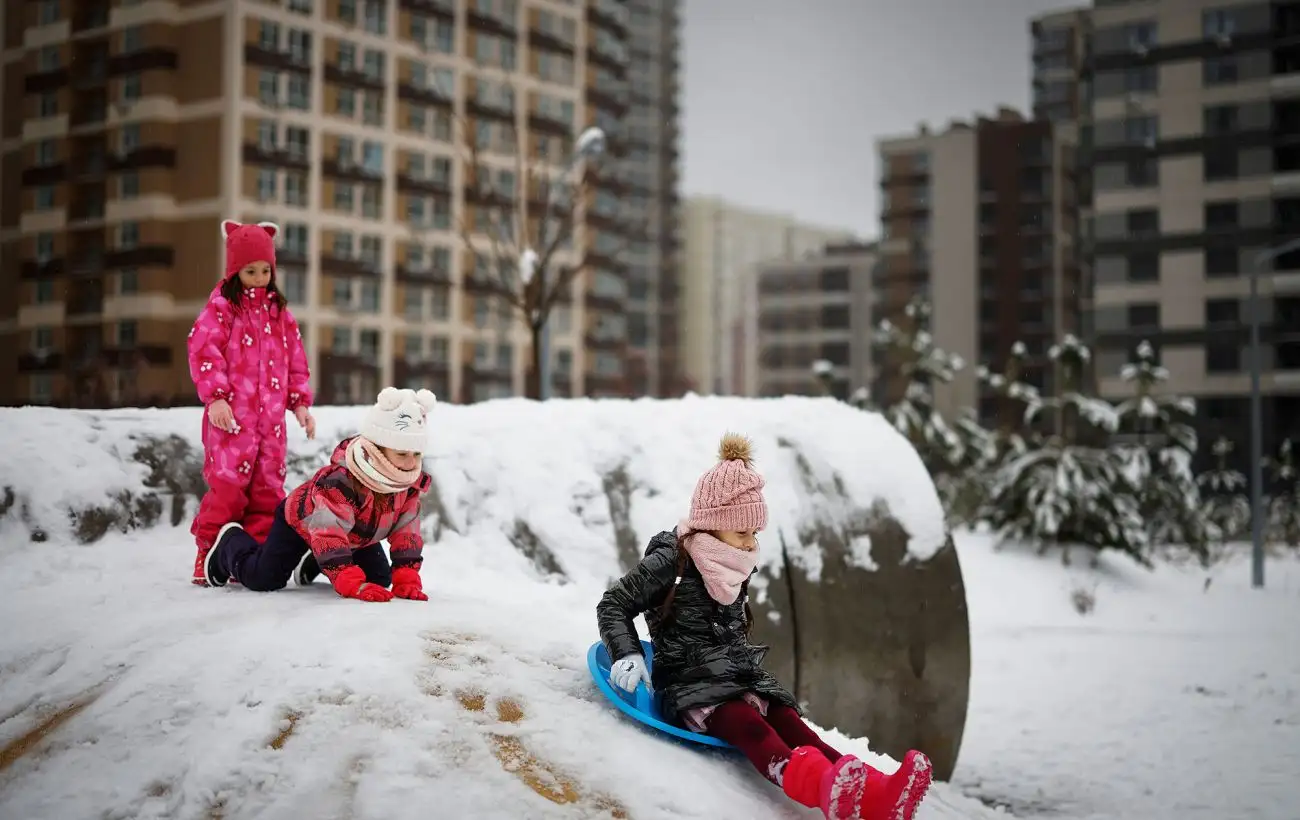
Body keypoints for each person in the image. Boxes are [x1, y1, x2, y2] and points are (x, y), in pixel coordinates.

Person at [596, 433, 932, 820]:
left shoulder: (732, 560)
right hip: (692, 685)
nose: (749, 542)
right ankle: (823, 788)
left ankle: (878, 790)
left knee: (794, 726)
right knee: (751, 728)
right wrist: (627, 654)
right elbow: (614, 603)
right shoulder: (672, 561)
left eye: (754, 533)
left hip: (737, 675)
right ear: (713, 523)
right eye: (742, 532)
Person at [202, 387, 436, 604]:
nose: (410, 462)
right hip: (303, 523)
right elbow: (328, 533)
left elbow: (407, 531)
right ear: (377, 449)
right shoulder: (342, 481)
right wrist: (348, 580)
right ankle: (229, 544)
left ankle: (316, 559)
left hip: (356, 534)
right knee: (265, 579)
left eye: (416, 453)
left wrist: (406, 575)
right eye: (402, 453)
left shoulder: (408, 485)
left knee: (378, 579)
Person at [187, 219, 315, 585]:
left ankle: (252, 556)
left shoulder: (281, 317)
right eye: (250, 271)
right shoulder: (223, 309)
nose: (259, 278)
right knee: (227, 491)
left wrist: (300, 405)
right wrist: (216, 398)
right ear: (234, 271)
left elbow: (296, 363)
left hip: (270, 428)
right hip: (232, 424)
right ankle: (209, 551)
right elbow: (203, 350)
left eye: (264, 271)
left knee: (266, 494)